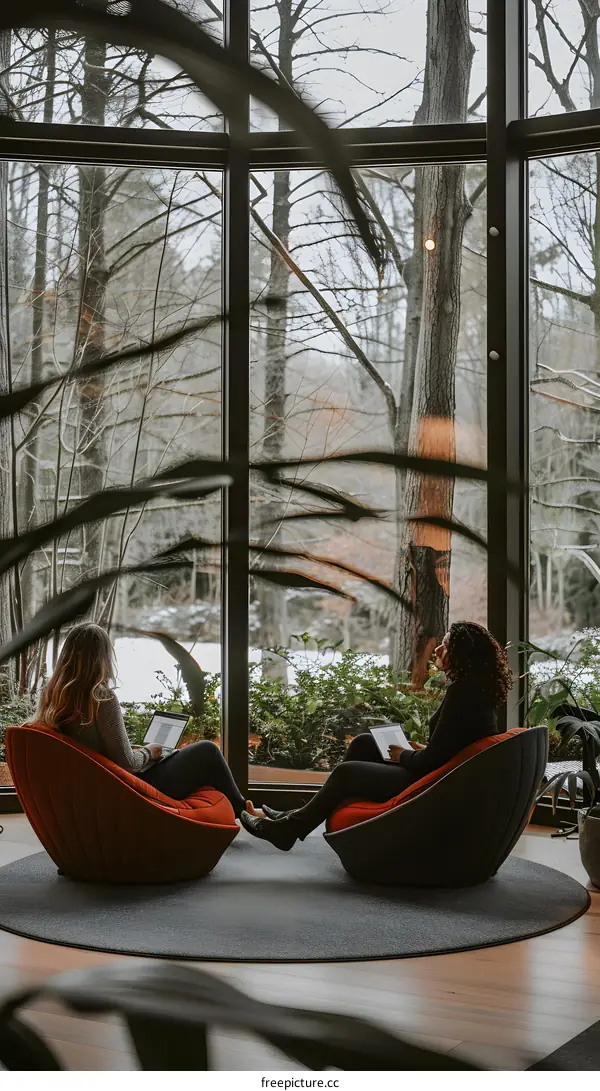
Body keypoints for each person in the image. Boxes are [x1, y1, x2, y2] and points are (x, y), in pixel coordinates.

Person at [240, 620, 512, 851]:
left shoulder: (462, 694)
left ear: (462, 654)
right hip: (439, 775)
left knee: (347, 773)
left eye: (446, 644)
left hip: (430, 785)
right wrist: (421, 748)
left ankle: (287, 831)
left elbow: (430, 763)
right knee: (364, 743)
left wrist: (404, 754)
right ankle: (297, 816)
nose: (438, 649)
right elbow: (452, 746)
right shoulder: (475, 692)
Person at [36, 622, 259, 819]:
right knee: (207, 751)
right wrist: (148, 752)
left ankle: (245, 811)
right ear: (102, 659)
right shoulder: (101, 699)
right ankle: (246, 812)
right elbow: (128, 764)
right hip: (125, 790)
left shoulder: (52, 696)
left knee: (180, 756)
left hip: (97, 787)